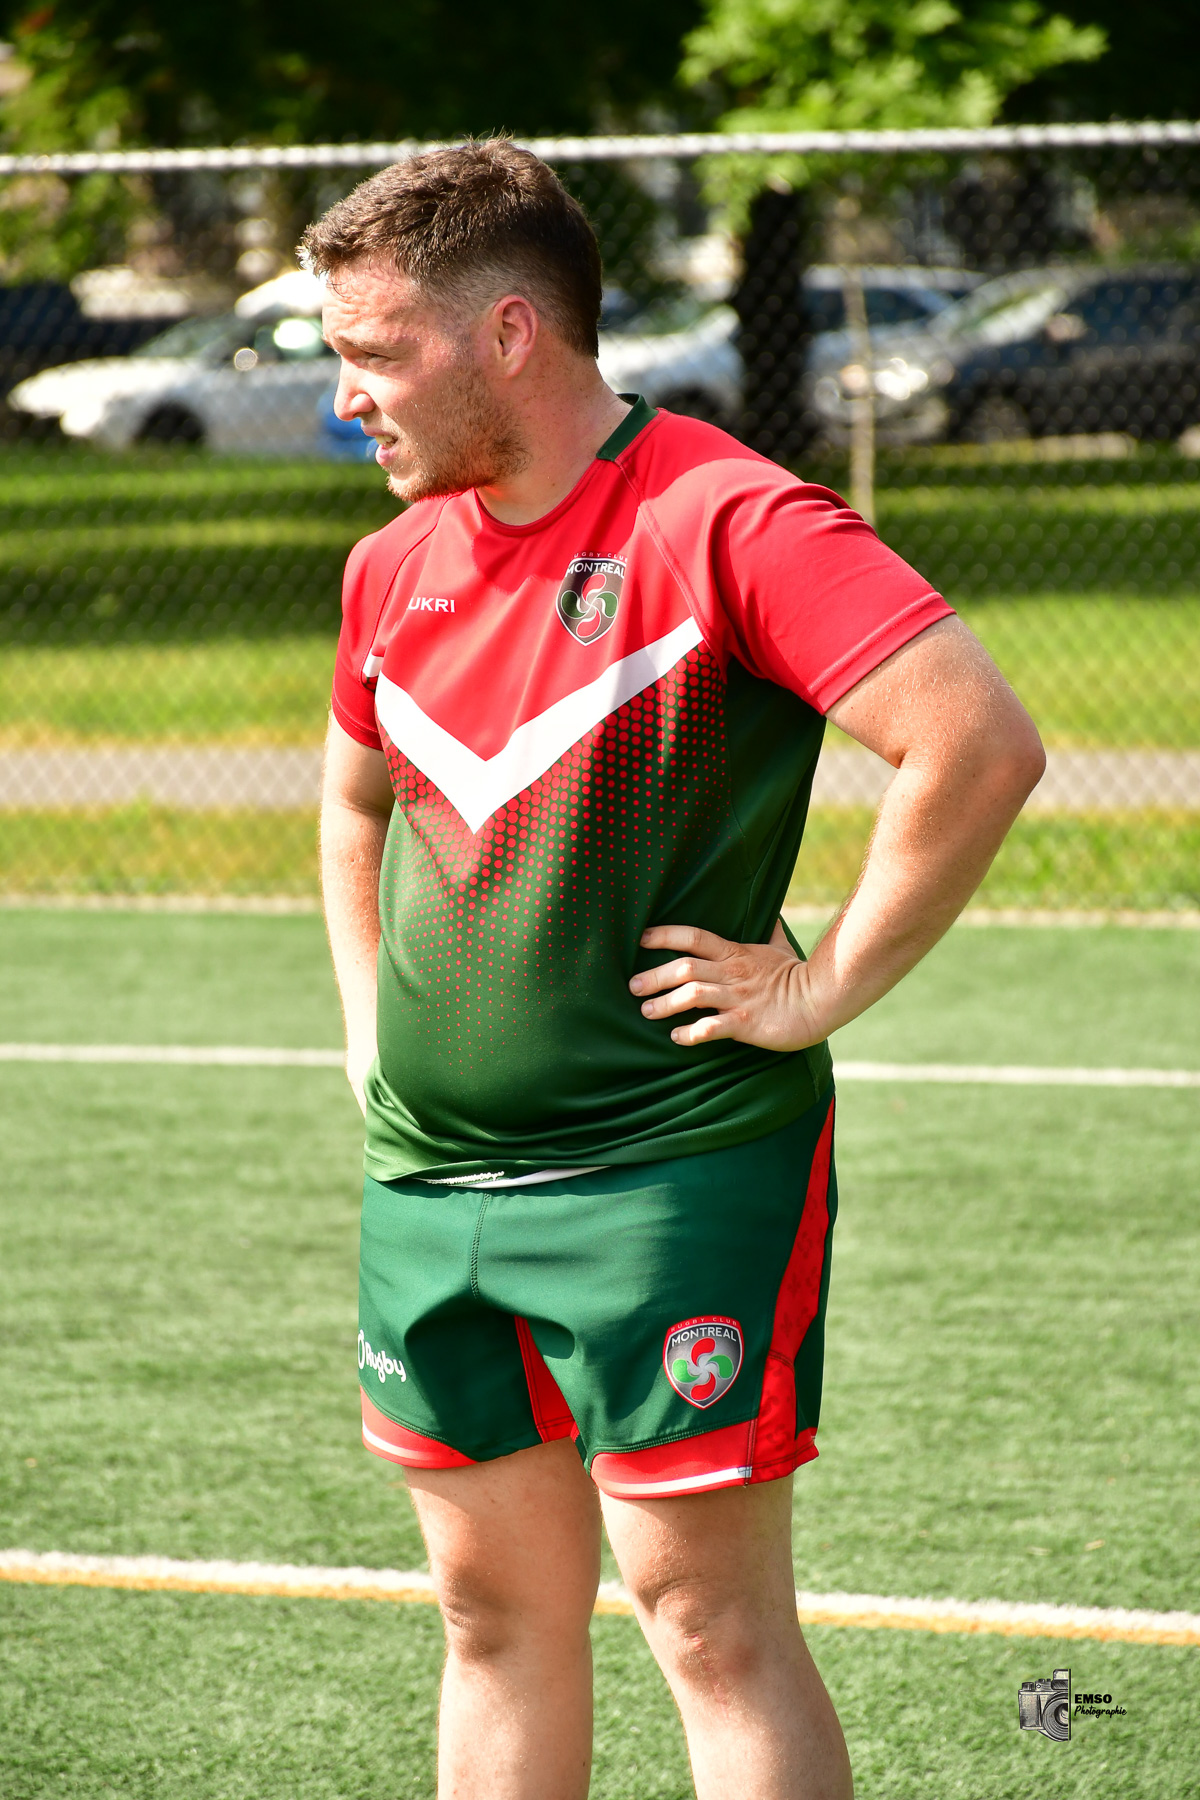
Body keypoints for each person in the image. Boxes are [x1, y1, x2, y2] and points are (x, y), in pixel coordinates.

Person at [306, 140, 1044, 1800]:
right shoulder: (389, 568)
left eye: (371, 351)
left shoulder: (726, 515)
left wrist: (825, 979)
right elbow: (353, 804)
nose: (344, 394)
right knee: (488, 1615)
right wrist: (369, 1025)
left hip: (673, 1168)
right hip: (428, 1186)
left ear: (508, 334)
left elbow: (975, 744)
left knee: (706, 1624)